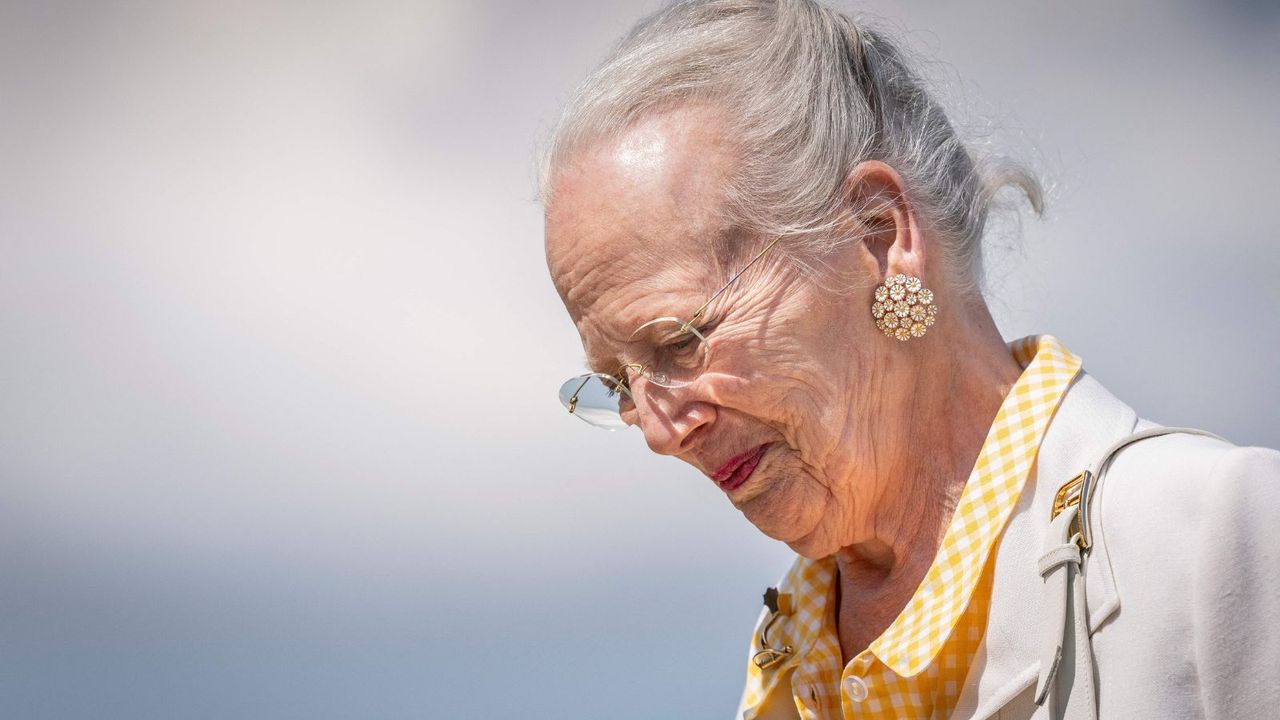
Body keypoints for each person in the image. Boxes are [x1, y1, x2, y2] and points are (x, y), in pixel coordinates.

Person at [538, 1, 1280, 718]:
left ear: (878, 234)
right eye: (617, 386)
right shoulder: (784, 678)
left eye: (679, 341)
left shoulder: (1221, 542)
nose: (662, 434)